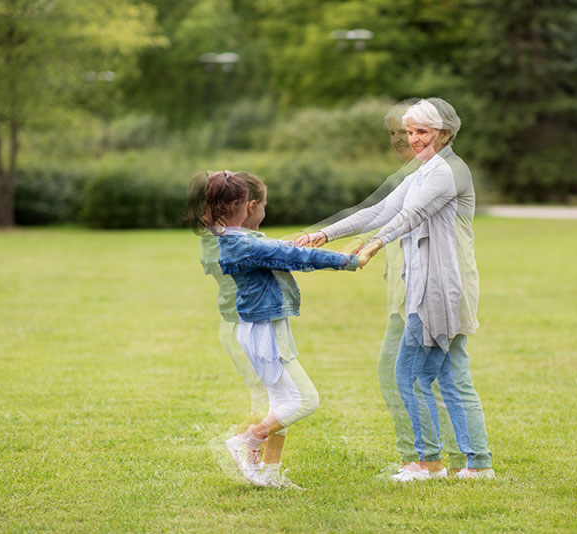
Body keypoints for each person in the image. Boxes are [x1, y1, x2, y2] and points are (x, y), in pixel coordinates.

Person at [302, 98, 494, 481]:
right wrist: (325, 233)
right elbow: (380, 210)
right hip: (432, 285)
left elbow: (411, 216)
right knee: (453, 376)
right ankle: (478, 464)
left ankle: (428, 464)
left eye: (422, 131)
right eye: (410, 132)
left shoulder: (447, 171)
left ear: (443, 133)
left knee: (408, 373)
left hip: (439, 288)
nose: (414, 139)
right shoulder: (423, 172)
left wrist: (372, 245)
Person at [186, 170, 361, 489]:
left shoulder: (233, 239)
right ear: (242, 206)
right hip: (265, 333)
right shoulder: (242, 244)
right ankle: (244, 441)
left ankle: (268, 474)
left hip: (260, 328)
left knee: (281, 405)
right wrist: (345, 260)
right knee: (306, 401)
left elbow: (271, 249)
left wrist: (291, 243)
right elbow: (290, 257)